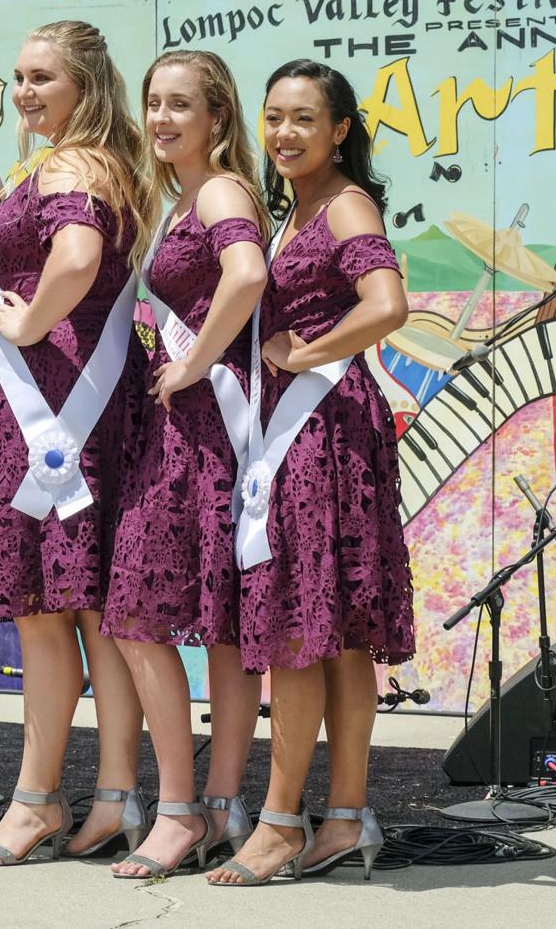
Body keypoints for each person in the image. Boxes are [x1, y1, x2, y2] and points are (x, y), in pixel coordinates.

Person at [0, 20, 153, 868]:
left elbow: (75, 254)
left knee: (46, 612)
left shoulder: (72, 164)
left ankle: (38, 800)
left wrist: (31, 319)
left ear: (85, 87)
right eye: (20, 78)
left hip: (59, 397)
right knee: (94, 611)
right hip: (76, 393)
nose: (26, 92)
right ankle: (112, 795)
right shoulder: (91, 161)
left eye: (44, 79)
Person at [208, 59, 415, 887]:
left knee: (300, 628)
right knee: (333, 640)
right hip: (315, 432)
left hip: (325, 430)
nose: (285, 133)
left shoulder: (344, 204)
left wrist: (308, 352)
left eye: (304, 119)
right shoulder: (295, 211)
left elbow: (389, 303)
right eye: (274, 117)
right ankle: (344, 818)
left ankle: (280, 822)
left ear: (340, 130)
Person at [102, 50, 271, 880]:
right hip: (182, 427)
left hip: (208, 425)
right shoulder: (180, 199)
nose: (163, 119)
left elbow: (247, 274)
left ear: (217, 117)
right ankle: (220, 804)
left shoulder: (220, 191)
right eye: (153, 104)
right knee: (213, 623)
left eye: (180, 106)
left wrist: (199, 359)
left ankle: (180, 809)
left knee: (138, 614)